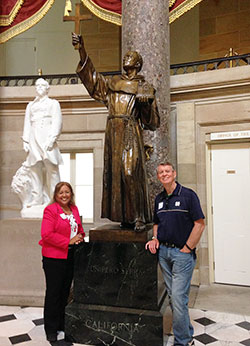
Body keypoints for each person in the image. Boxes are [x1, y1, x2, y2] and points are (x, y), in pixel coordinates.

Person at [72, 33, 160, 232]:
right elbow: (93, 80)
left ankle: (138, 216)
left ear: (137, 64)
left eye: (130, 57)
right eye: (125, 56)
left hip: (130, 130)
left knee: (129, 172)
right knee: (116, 175)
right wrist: (81, 50)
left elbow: (152, 122)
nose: (125, 58)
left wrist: (145, 106)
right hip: (113, 131)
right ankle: (126, 217)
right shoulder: (113, 84)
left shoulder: (144, 87)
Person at [145, 162, 205, 346]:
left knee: (178, 298)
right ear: (158, 176)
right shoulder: (159, 199)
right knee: (174, 297)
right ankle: (186, 334)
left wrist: (187, 247)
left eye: (167, 171)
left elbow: (199, 223)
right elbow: (156, 223)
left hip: (182, 254)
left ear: (174, 173)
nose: (164, 174)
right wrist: (155, 238)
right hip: (163, 252)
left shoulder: (188, 195)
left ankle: (183, 341)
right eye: (161, 172)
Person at [39, 182, 85, 342]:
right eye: (61, 192)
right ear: (56, 195)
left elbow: (79, 229)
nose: (64, 195)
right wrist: (69, 241)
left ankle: (61, 324)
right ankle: (50, 330)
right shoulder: (50, 210)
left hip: (70, 256)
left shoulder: (74, 209)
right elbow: (47, 234)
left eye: (67, 192)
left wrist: (80, 236)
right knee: (53, 293)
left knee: (65, 292)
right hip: (54, 258)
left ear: (71, 194)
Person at [22, 78, 63, 206]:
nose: (39, 87)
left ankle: (54, 198)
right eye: (37, 85)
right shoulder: (31, 105)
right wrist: (26, 140)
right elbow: (27, 123)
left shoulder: (53, 103)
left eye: (42, 85)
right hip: (34, 137)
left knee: (52, 168)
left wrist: (52, 139)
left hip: (47, 137)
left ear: (47, 88)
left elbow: (57, 121)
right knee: (34, 168)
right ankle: (37, 198)